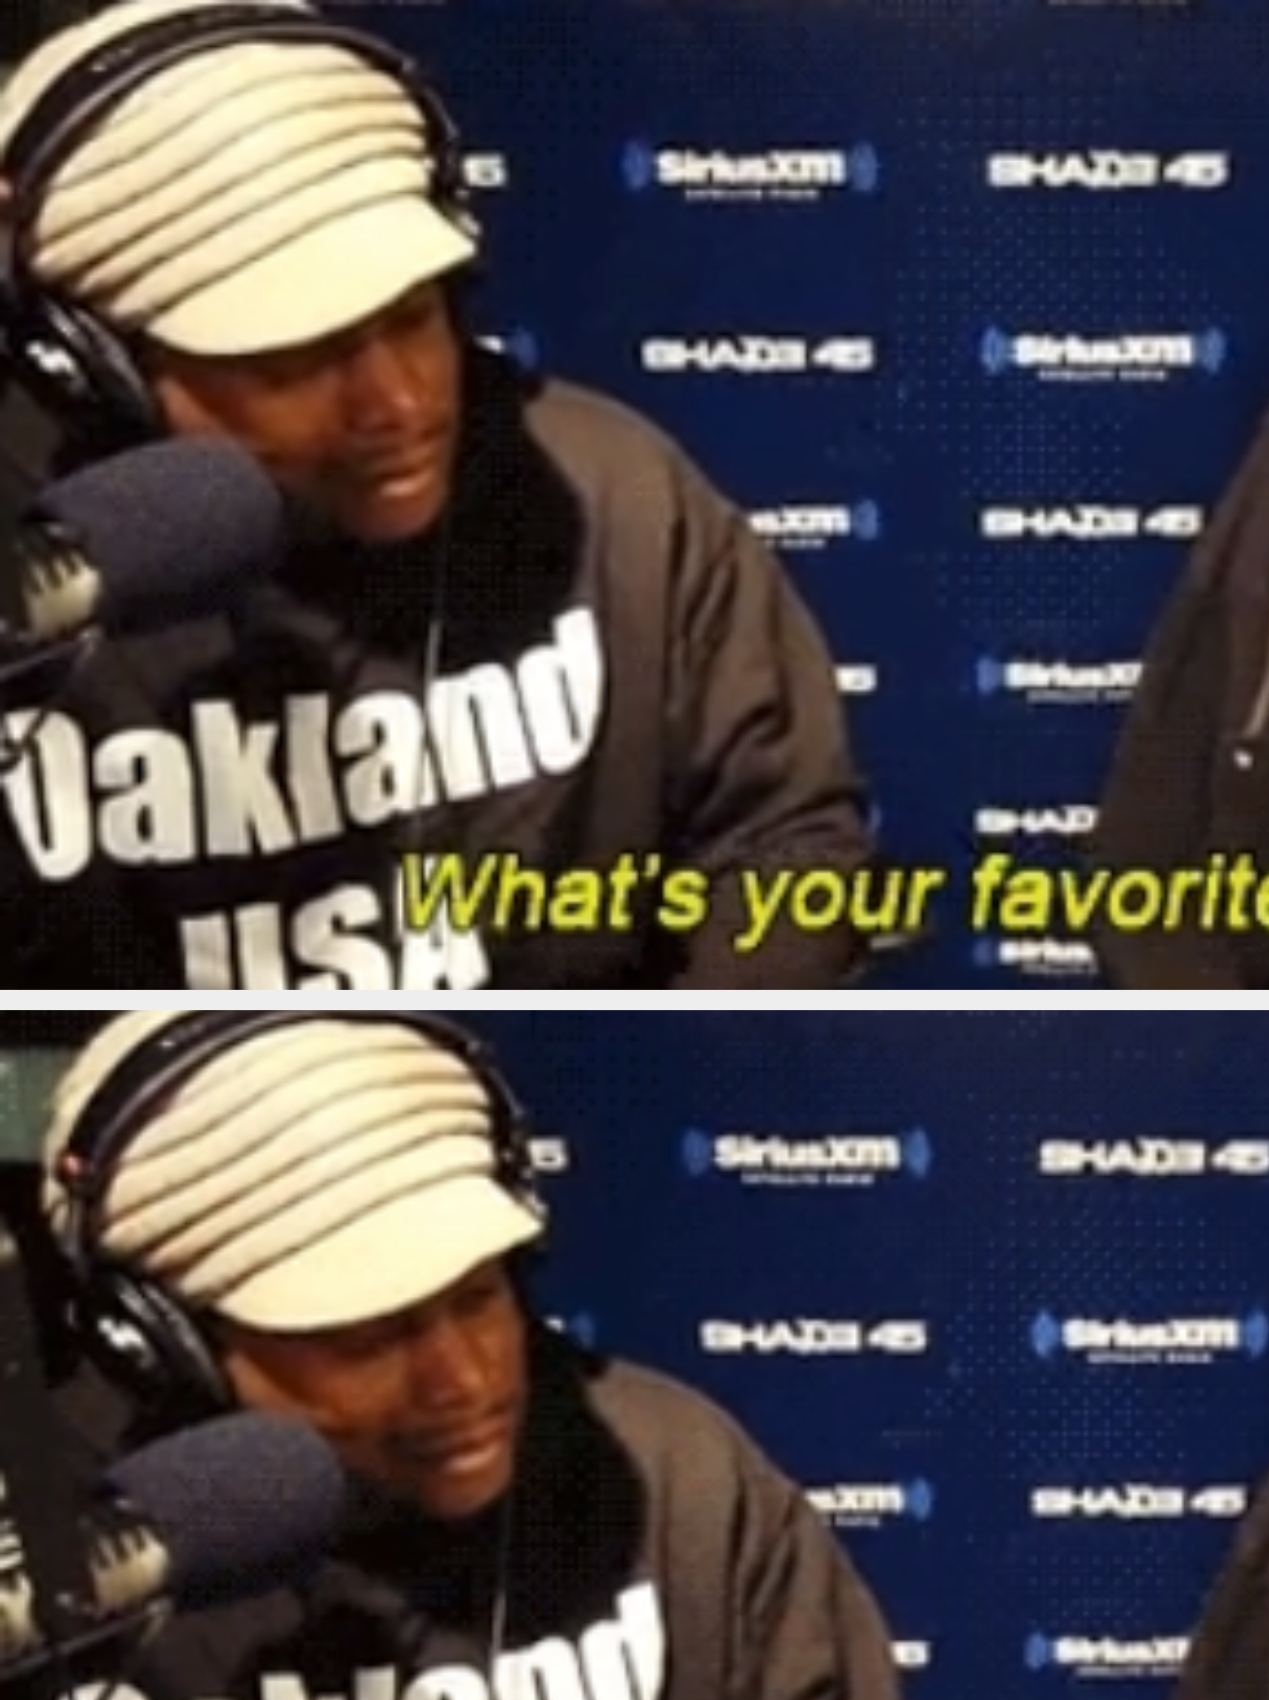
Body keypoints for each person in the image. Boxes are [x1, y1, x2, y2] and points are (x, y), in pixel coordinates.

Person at [0, 1008, 934, 1700]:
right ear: (164, 1344)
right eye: (367, 1334)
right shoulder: (57, 1559)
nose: (466, 1377)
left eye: (480, 1294)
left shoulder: (674, 1471)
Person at [0, 0, 876, 990]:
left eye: (415, 316)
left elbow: (785, 842)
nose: (401, 402)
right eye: (295, 358)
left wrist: (694, 1059)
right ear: (95, 373)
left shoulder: (615, 495)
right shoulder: (29, 576)